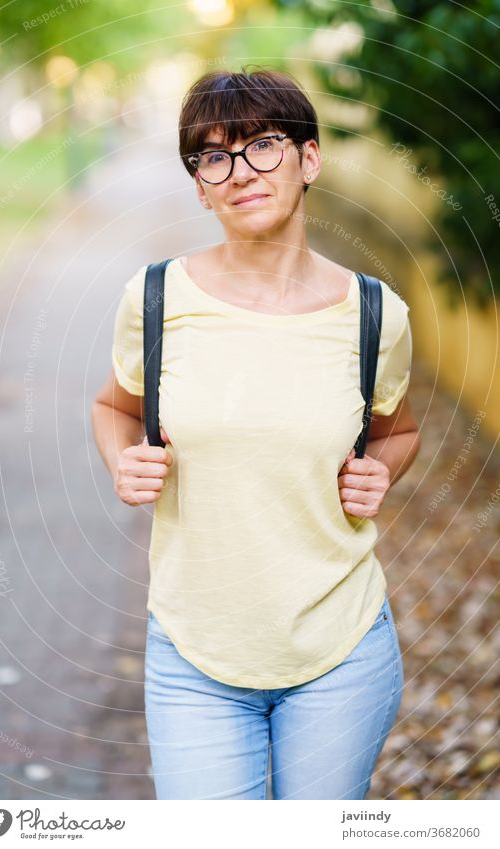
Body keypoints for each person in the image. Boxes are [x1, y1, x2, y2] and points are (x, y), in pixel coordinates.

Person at [92, 67, 421, 800]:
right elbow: (113, 407)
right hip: (192, 655)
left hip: (340, 651)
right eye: (213, 156)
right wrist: (124, 462)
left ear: (309, 160)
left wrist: (384, 469)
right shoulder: (154, 298)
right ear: (201, 186)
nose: (239, 171)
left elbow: (396, 430)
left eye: (262, 145)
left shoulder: (374, 314)